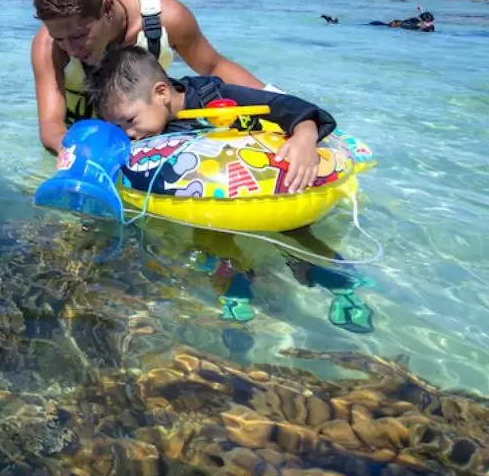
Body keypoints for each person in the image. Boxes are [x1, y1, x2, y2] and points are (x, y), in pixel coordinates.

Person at [88, 45, 374, 347]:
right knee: (209, 234)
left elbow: (289, 107)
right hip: (212, 197)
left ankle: (340, 284)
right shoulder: (149, 123)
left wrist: (304, 139)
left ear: (161, 93)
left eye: (129, 121)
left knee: (295, 228)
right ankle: (237, 292)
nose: (128, 135)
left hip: (272, 182)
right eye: (118, 127)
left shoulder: (215, 96)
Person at [30, 0, 268, 155]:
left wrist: (279, 103)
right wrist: (76, 153)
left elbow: (214, 67)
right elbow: (51, 124)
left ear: (107, 8)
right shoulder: (47, 45)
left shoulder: (168, 19)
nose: (70, 48)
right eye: (60, 38)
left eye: (79, 36)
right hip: (83, 139)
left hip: (147, 132)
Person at [369, 5, 434, 32]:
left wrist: (421, 10)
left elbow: (423, 18)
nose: (431, 23)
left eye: (431, 22)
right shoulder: (411, 26)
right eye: (429, 22)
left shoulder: (422, 23)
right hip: (381, 24)